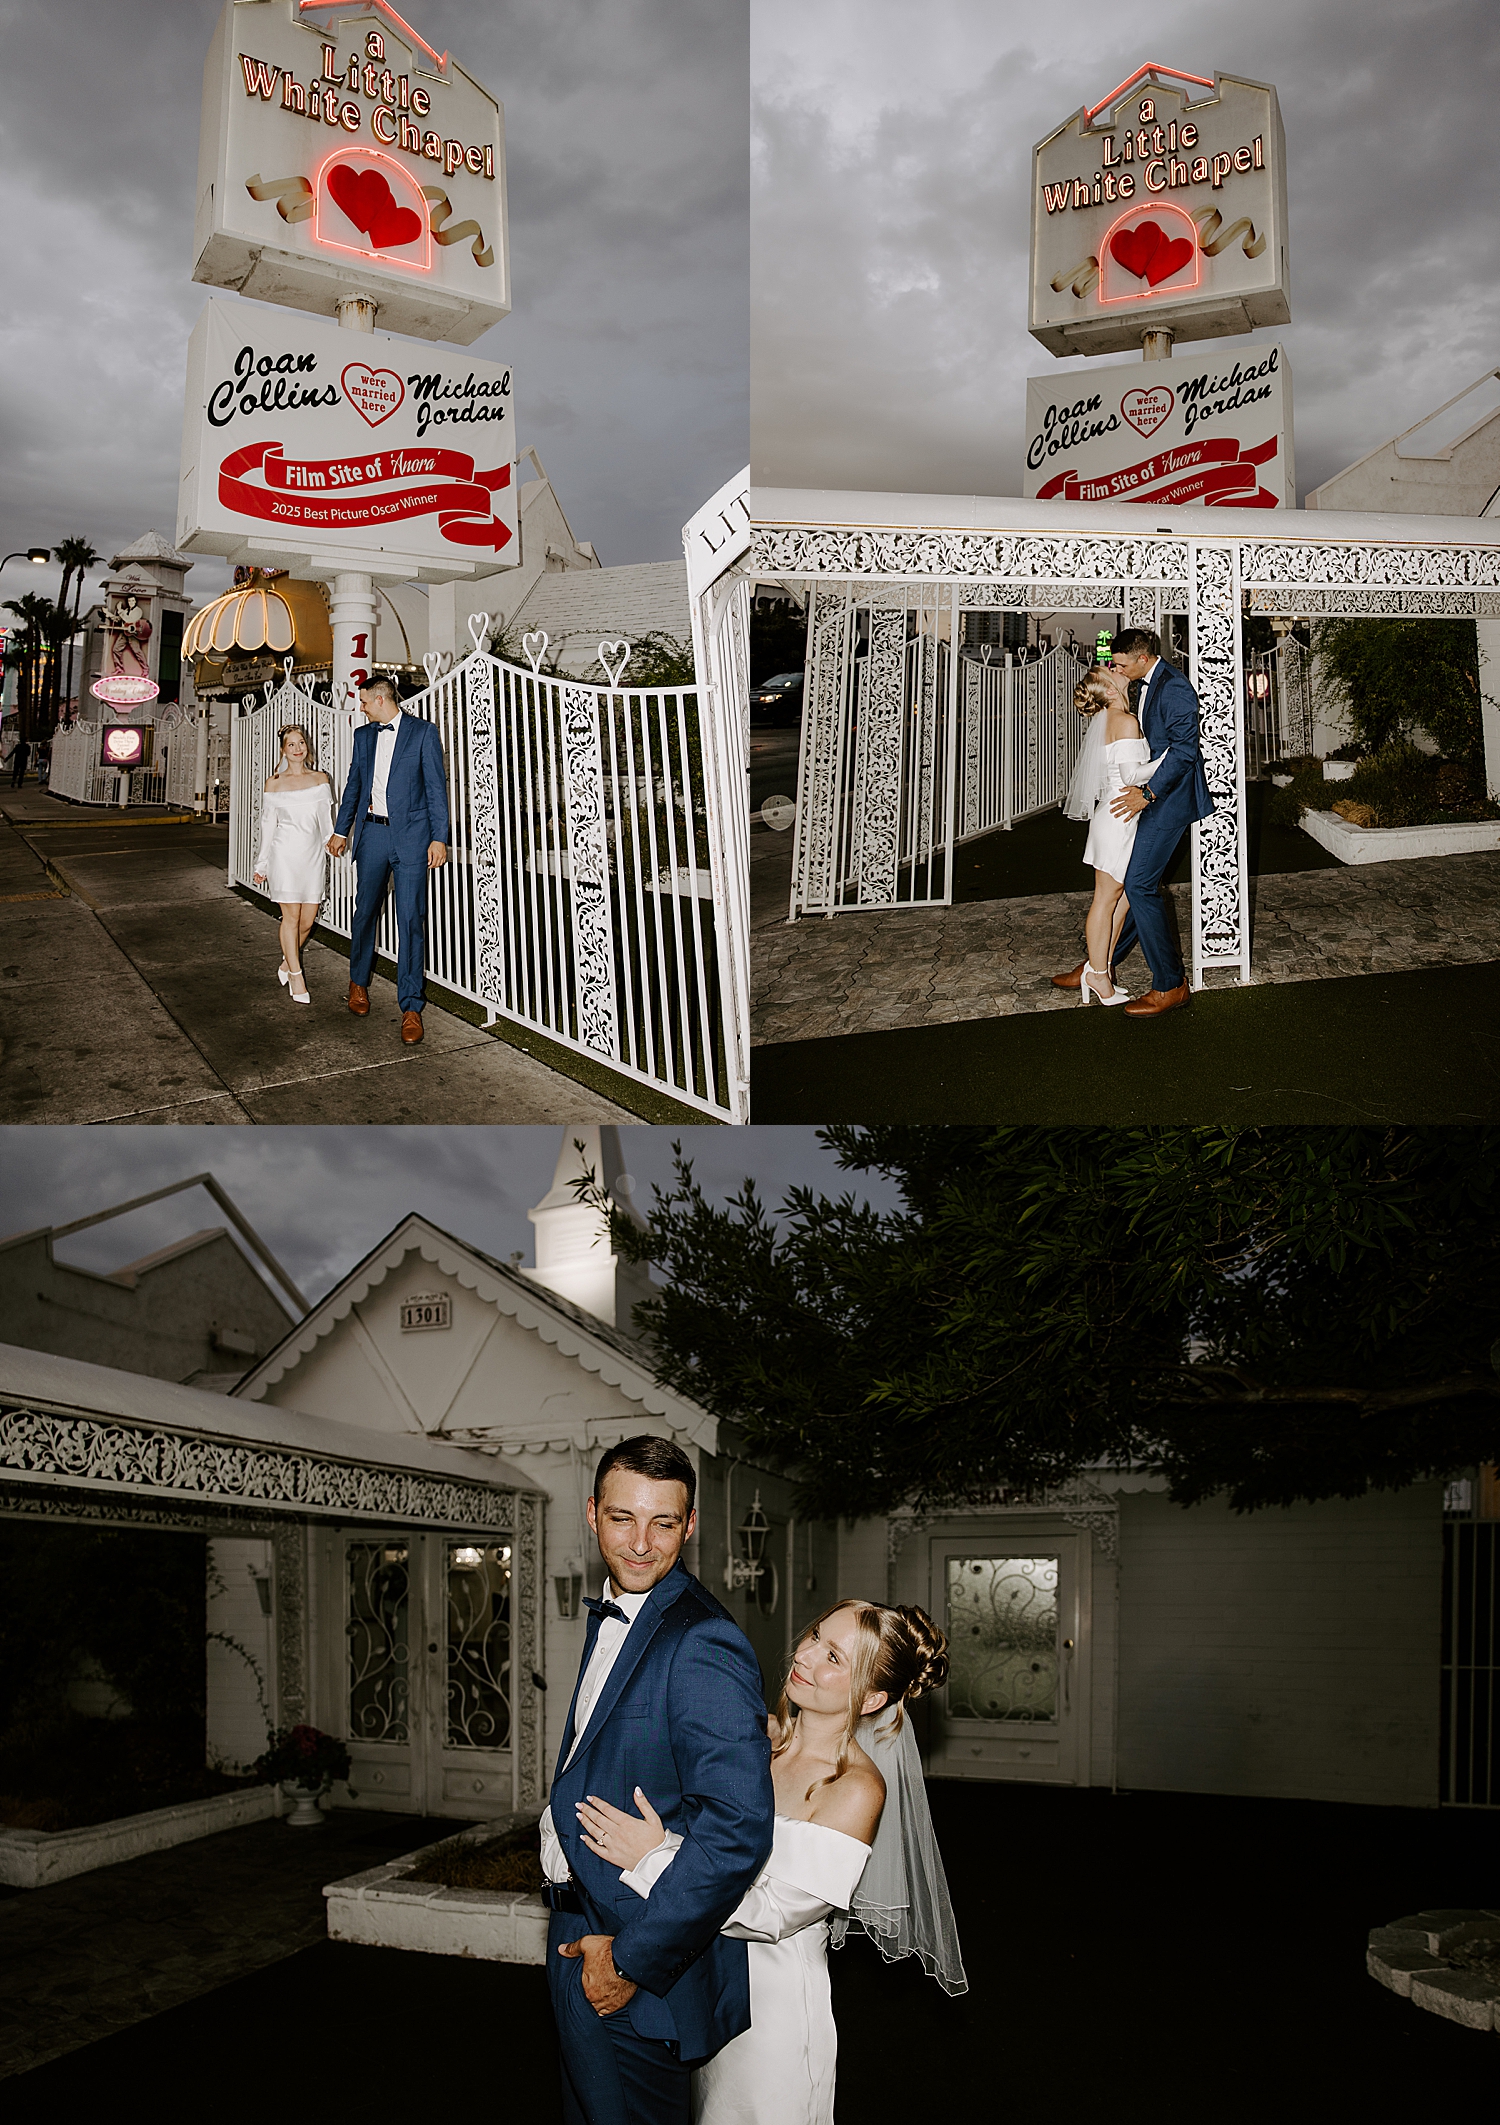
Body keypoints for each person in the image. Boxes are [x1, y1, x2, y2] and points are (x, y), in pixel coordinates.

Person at [578, 1598, 966, 2125]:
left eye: (834, 1658)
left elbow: (774, 1914)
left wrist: (652, 1858)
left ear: (872, 1698)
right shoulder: (756, 1739)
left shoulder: (855, 1789)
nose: (805, 1656)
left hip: (773, 2019)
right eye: (815, 1637)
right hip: (707, 1984)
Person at [540, 1436, 775, 2125]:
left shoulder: (703, 1639)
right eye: (622, 1518)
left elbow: (736, 1831)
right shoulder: (620, 1612)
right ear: (591, 1514)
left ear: (691, 1524)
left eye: (664, 1523)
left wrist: (632, 1960)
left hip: (634, 1965)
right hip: (577, 1931)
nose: (641, 1543)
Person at [1051, 627, 1214, 1018]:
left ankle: (1167, 983)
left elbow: (1184, 752)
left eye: (1120, 663)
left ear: (1142, 658)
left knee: (1137, 887)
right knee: (1130, 890)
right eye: (1113, 666)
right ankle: (1099, 962)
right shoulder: (1136, 687)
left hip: (1164, 801)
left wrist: (1149, 793)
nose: (1114, 668)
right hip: (1137, 801)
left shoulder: (1173, 687)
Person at [326, 674, 448, 1046]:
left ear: (380, 699)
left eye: (364, 702)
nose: (360, 707)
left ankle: (411, 1006)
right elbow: (354, 787)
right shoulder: (364, 737)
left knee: (411, 918)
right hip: (373, 836)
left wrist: (438, 838)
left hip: (412, 838)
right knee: (365, 912)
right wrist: (341, 830)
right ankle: (358, 983)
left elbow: (435, 789)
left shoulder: (424, 733)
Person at [1060, 665, 1164, 1006]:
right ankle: (1098, 976)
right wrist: (1167, 759)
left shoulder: (1108, 719)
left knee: (1123, 898)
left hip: (1118, 814)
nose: (1117, 670)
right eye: (1110, 671)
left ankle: (1099, 967)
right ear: (1108, 688)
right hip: (1118, 817)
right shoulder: (1125, 721)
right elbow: (1131, 774)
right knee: (1106, 899)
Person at [252, 725, 334, 1005]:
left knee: (308, 921)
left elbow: (326, 824)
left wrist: (333, 846)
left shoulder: (321, 779)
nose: (298, 749)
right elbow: (268, 827)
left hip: (312, 857)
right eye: (291, 745)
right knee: (291, 917)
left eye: (301, 743)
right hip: (283, 856)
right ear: (283, 750)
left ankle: (288, 960)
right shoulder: (273, 783)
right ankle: (296, 976)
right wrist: (261, 864)